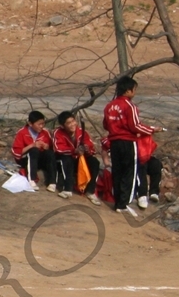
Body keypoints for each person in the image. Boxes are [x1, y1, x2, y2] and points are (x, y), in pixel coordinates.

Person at [103, 75, 159, 213]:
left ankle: (118, 202)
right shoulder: (130, 106)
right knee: (130, 172)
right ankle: (124, 203)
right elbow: (135, 126)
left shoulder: (109, 106)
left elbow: (105, 124)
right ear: (128, 91)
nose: (134, 92)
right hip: (128, 142)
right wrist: (152, 129)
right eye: (134, 89)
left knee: (117, 171)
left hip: (114, 143)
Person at [52, 111, 99, 197]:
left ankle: (90, 191)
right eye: (69, 123)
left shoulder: (82, 132)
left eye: (73, 121)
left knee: (94, 162)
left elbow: (91, 148)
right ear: (62, 126)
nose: (72, 124)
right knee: (67, 159)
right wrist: (74, 150)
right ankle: (67, 189)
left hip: (79, 158)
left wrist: (86, 149)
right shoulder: (58, 132)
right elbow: (59, 149)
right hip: (64, 159)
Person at [12, 111, 53, 187]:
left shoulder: (45, 133)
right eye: (39, 124)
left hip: (39, 160)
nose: (41, 126)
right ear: (30, 124)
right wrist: (32, 145)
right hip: (25, 160)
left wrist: (46, 146)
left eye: (43, 124)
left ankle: (52, 182)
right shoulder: (22, 133)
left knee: (50, 153)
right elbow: (17, 153)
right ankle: (32, 180)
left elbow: (51, 147)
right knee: (34, 150)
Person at [135, 130, 162, 207]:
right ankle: (141, 194)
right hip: (133, 158)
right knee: (141, 166)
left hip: (144, 156)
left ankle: (154, 192)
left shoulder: (143, 133)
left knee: (156, 164)